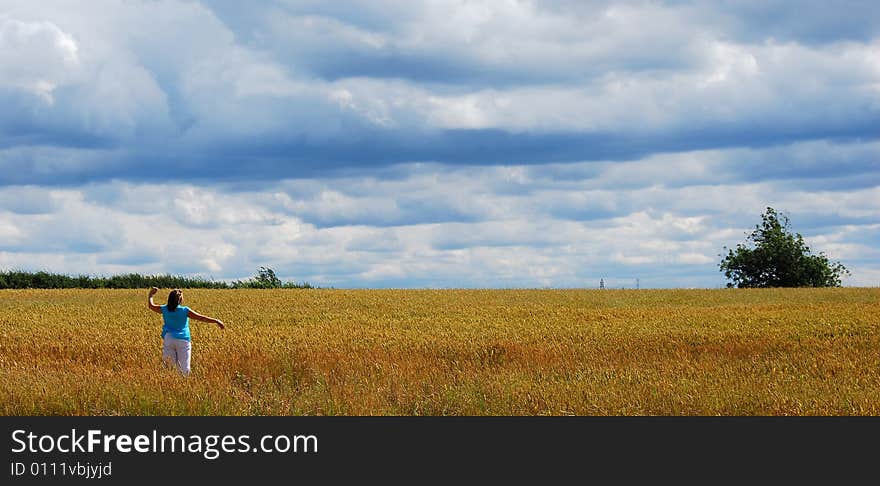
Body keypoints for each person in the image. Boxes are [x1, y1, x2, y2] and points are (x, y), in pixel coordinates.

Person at [147, 287, 224, 376]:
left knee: (168, 366)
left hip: (169, 338)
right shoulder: (184, 310)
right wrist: (216, 321)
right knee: (184, 369)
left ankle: (169, 384)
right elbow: (201, 317)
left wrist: (151, 295)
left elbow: (151, 306)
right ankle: (182, 383)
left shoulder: (164, 309)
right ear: (180, 300)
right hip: (183, 340)